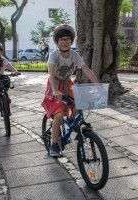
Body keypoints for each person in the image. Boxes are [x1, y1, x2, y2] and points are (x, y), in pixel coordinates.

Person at [41, 24, 99, 157]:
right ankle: (54, 144)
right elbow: (51, 74)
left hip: (67, 83)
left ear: (71, 40)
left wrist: (97, 84)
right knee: (59, 114)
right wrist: (55, 91)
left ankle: (74, 122)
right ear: (57, 42)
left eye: (67, 39)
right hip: (54, 85)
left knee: (77, 105)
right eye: (61, 39)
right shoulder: (54, 55)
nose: (65, 42)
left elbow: (85, 69)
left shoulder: (75, 55)